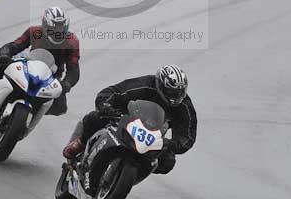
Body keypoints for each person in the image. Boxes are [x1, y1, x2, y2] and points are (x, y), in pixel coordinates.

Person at [62, 64, 196, 174]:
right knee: (94, 118)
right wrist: (106, 107)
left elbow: (188, 136)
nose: (174, 97)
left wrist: (172, 144)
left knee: (168, 162)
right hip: (124, 120)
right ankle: (80, 144)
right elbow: (113, 91)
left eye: (179, 93)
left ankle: (136, 172)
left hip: (153, 137)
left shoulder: (184, 106)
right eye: (171, 92)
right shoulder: (145, 84)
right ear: (160, 85)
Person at [0, 6, 80, 120]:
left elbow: (74, 68)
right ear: (45, 26)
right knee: (0, 65)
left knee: (60, 107)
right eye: (54, 30)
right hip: (28, 67)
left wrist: (67, 83)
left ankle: (31, 114)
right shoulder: (35, 32)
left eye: (62, 30)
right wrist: (5, 55)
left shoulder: (72, 42)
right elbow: (14, 46)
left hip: (51, 77)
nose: (58, 33)